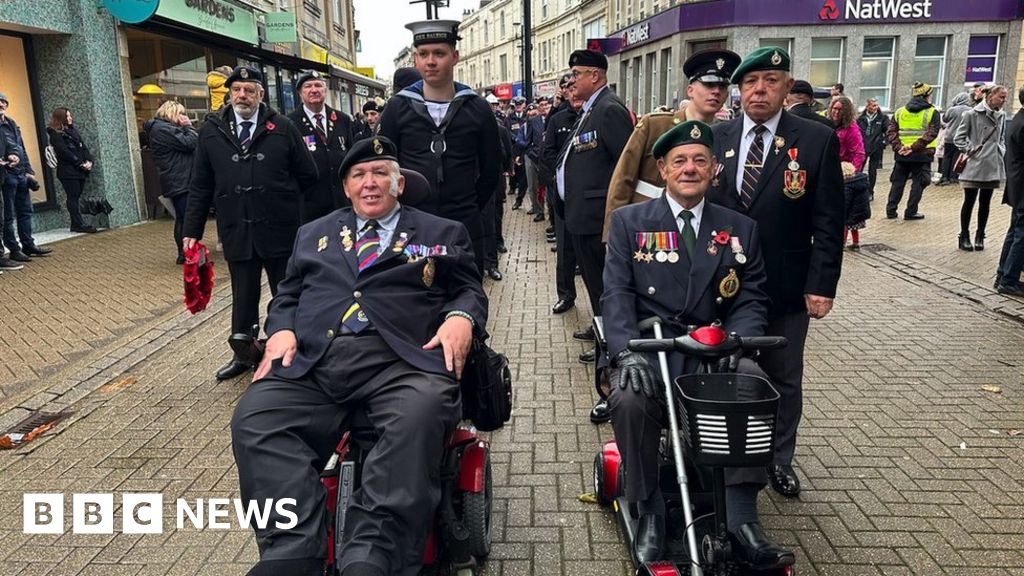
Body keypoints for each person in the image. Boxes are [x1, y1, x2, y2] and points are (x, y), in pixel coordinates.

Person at [231, 136, 487, 576]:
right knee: (256, 417)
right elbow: (288, 293)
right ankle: (291, 549)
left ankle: (373, 555)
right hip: (316, 361)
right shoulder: (313, 234)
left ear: (399, 183)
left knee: (419, 416)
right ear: (346, 187)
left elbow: (468, 288)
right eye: (359, 176)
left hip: (403, 363)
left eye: (380, 173)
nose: (370, 184)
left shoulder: (441, 232)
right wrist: (282, 328)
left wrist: (462, 316)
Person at [604, 120, 793, 568]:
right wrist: (625, 350)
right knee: (630, 397)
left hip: (715, 349)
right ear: (663, 171)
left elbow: (751, 295)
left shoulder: (739, 227)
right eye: (680, 162)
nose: (690, 169)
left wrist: (737, 343)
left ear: (713, 171)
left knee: (754, 386)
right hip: (654, 345)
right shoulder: (630, 222)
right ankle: (648, 507)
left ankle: (743, 515)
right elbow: (615, 294)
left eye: (700, 161)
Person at [707, 47, 845, 498]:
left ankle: (778, 460)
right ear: (739, 89)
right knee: (727, 372)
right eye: (750, 82)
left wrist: (821, 286)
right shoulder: (717, 137)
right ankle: (728, 455)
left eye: (770, 80)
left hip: (786, 284)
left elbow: (828, 220)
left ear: (787, 88)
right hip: (723, 285)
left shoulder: (816, 139)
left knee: (784, 376)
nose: (759, 89)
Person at [183, 66, 318, 381]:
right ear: (230, 94)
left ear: (260, 94)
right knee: (243, 294)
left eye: (249, 89)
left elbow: (308, 175)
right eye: (237, 90)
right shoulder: (212, 130)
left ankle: (291, 348)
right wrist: (192, 230)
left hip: (279, 227)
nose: (242, 95)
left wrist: (283, 200)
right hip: (237, 226)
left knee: (285, 290)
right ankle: (242, 354)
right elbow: (200, 184)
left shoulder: (281, 127)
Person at [377, 20, 500, 274]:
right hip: (412, 225)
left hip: (464, 224)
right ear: (415, 59)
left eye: (439, 54)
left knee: (465, 299)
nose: (430, 61)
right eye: (423, 54)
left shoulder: (477, 108)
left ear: (455, 57)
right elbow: (384, 166)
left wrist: (468, 205)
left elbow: (491, 170)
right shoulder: (397, 108)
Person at [603, 49, 741, 241]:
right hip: (648, 230)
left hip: (701, 234)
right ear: (690, 90)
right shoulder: (655, 125)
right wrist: (613, 235)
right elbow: (622, 181)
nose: (716, 91)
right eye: (709, 84)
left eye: (722, 86)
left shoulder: (727, 136)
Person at [556, 48, 633, 364]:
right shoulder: (590, 108)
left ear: (595, 76)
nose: (572, 81)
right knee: (592, 282)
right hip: (581, 216)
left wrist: (616, 218)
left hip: (598, 218)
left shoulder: (608, 109)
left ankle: (609, 348)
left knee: (604, 286)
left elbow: (625, 166)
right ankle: (600, 329)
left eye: (577, 74)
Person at [288, 70, 354, 223]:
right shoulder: (290, 123)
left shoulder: (342, 119)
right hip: (309, 206)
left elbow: (352, 156)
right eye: (308, 86)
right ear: (300, 93)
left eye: (318, 85)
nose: (314, 90)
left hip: (342, 203)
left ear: (325, 90)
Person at [954, 84, 1008, 252]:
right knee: (969, 202)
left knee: (985, 202)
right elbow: (959, 138)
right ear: (990, 96)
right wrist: (972, 150)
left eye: (1005, 97)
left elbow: (1002, 137)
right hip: (974, 164)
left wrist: (1001, 149)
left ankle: (980, 235)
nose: (1004, 100)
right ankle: (964, 235)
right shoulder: (971, 114)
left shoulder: (1002, 115)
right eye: (1001, 97)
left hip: (992, 165)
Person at [543, 76, 579, 316]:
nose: (572, 92)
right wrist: (555, 185)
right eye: (568, 88)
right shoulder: (557, 119)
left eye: (575, 86)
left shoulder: (592, 115)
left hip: (589, 198)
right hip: (565, 197)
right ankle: (565, 295)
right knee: (565, 251)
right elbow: (547, 155)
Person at [144, 100, 198, 264]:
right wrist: (188, 126)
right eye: (180, 114)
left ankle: (186, 254)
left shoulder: (161, 129)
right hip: (179, 180)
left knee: (183, 218)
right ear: (171, 113)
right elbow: (191, 143)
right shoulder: (163, 129)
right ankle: (187, 254)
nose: (183, 117)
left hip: (178, 179)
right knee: (186, 219)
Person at [0, 93, 50, 261]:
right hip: (7, 176)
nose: (1, 104)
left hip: (21, 174)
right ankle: (14, 249)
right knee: (8, 215)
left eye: (3, 101)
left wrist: (29, 170)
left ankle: (28, 245)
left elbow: (21, 148)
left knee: (26, 211)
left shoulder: (12, 123)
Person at [885, 82, 940, 220]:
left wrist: (899, 148)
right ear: (926, 95)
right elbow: (932, 133)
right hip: (921, 154)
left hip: (902, 154)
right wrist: (913, 147)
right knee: (919, 183)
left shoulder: (899, 111)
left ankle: (891, 211)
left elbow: (891, 132)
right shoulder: (932, 112)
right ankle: (911, 212)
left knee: (897, 182)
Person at [46, 107, 97, 234]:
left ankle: (76, 223)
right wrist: (80, 163)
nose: (70, 118)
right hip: (68, 171)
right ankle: (78, 224)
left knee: (76, 196)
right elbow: (64, 152)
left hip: (80, 170)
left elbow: (83, 147)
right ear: (61, 118)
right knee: (73, 197)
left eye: (70, 116)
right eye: (67, 116)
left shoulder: (72, 131)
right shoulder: (55, 134)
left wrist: (89, 161)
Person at [996, 87, 1024, 296]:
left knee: (1014, 231)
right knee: (1020, 234)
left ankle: (1002, 275)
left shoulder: (1017, 119)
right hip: (1022, 186)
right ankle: (1008, 279)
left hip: (1017, 186)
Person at [857, 97, 890, 200]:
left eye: (876, 105)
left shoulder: (882, 118)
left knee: (872, 171)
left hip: (876, 147)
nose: (875, 107)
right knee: (859, 169)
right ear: (867, 106)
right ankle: (858, 190)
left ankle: (870, 192)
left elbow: (888, 131)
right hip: (863, 147)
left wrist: (884, 142)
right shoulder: (860, 118)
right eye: (873, 105)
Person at [938, 92, 972, 187]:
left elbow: (944, 119)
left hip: (949, 137)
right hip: (962, 138)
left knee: (947, 156)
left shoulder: (951, 110)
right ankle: (954, 177)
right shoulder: (970, 110)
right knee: (957, 157)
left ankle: (944, 177)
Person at [829, 96, 865, 172]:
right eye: (835, 108)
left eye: (840, 110)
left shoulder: (852, 129)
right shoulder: (827, 124)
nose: (837, 112)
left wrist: (852, 172)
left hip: (843, 169)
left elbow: (859, 153)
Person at [524, 102, 546, 222]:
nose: (544, 107)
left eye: (546, 105)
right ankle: (539, 210)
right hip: (535, 157)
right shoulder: (533, 121)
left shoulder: (553, 118)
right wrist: (533, 154)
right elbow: (528, 141)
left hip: (548, 159)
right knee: (536, 185)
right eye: (542, 105)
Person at [506, 97, 529, 210]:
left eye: (520, 104)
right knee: (514, 169)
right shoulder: (510, 117)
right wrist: (515, 138)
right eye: (517, 104)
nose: (519, 106)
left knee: (524, 175)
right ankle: (513, 187)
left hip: (526, 149)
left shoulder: (527, 116)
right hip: (515, 147)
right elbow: (507, 131)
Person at [842, 161, 871, 250]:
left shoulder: (847, 185)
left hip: (851, 211)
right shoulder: (861, 181)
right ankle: (856, 243)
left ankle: (842, 243)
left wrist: (842, 210)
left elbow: (846, 200)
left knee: (845, 227)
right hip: (860, 211)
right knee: (854, 228)